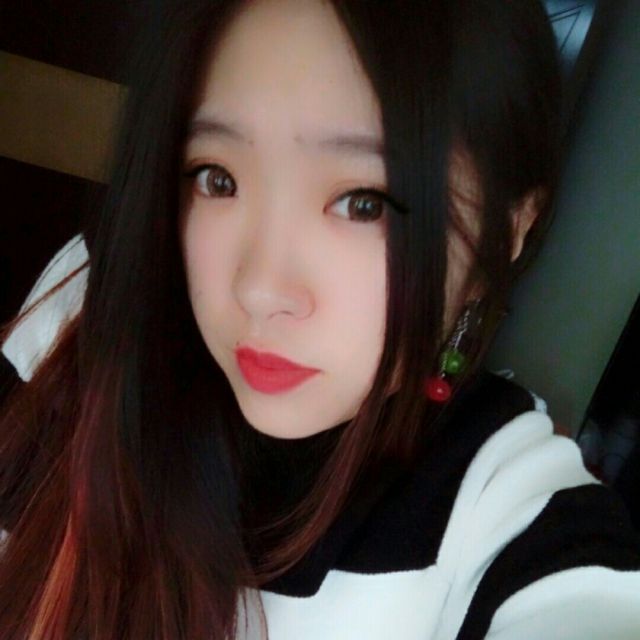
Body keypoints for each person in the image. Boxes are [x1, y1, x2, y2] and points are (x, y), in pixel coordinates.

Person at [1, 0, 639, 638]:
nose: (259, 290)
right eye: (217, 179)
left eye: (364, 203)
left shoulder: (505, 505)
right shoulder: (92, 300)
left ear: (507, 232)